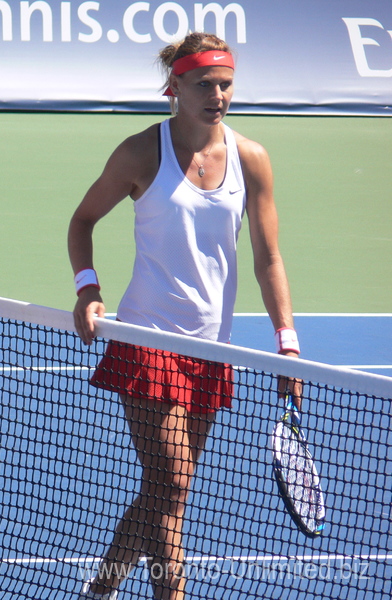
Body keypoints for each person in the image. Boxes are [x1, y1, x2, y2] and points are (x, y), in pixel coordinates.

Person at [68, 32, 302, 600]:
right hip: (145, 339)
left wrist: (287, 341)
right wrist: (87, 288)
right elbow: (81, 222)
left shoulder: (251, 159)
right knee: (171, 485)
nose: (217, 96)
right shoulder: (139, 153)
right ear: (174, 86)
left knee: (164, 490)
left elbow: (268, 257)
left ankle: (100, 589)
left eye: (225, 85)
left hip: (211, 351)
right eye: (204, 85)